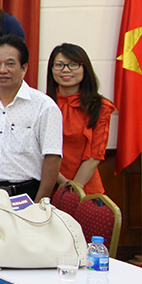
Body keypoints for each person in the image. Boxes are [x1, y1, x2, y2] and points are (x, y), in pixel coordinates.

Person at [0, 35, 62, 201]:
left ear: (24, 68)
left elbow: (52, 158)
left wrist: (40, 203)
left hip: (27, 193)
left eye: (10, 64)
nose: (2, 70)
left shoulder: (44, 106)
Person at [48, 44, 115, 195]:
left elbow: (94, 156)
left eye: (73, 64)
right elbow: (38, 154)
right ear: (51, 70)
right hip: (49, 187)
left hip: (86, 191)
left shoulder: (100, 107)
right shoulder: (42, 105)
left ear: (85, 68)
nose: (66, 70)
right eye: (59, 65)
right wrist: (62, 183)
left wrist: (74, 189)